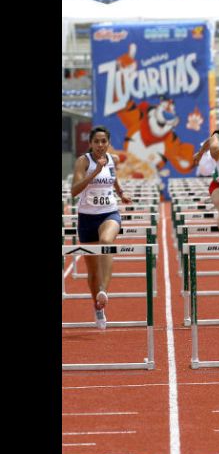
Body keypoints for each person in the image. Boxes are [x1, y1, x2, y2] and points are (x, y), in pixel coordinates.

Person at [70, 126, 133, 330]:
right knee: (93, 271)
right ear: (90, 144)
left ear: (108, 143)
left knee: (107, 242)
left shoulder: (113, 159)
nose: (100, 145)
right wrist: (94, 172)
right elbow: (74, 191)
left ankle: (103, 291)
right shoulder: (83, 161)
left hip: (109, 213)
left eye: (103, 141)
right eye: (96, 142)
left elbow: (114, 180)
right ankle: (98, 305)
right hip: (87, 218)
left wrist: (121, 193)